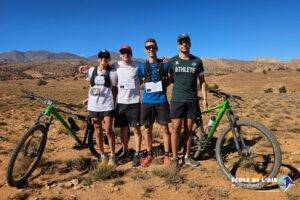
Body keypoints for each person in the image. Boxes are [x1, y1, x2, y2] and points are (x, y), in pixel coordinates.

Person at [168, 34, 208, 167]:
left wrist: (205, 99)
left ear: (190, 44)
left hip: (192, 100)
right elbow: (169, 79)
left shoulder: (197, 61)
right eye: (181, 42)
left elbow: (202, 82)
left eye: (186, 42)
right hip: (177, 100)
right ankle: (174, 158)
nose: (184, 44)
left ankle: (187, 156)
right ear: (178, 45)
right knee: (175, 129)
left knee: (189, 129)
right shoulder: (172, 61)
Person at [138, 38, 171, 167]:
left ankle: (167, 155)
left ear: (157, 48)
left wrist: (164, 85)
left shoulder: (165, 64)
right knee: (147, 130)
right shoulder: (141, 66)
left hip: (161, 100)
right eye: (148, 47)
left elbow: (171, 76)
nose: (150, 49)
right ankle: (149, 154)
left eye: (152, 46)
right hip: (146, 101)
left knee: (165, 128)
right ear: (145, 50)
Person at [84, 49, 118, 167]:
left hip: (107, 105)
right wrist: (88, 99)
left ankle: (113, 155)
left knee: (108, 130)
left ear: (109, 59)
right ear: (98, 58)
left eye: (106, 57)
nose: (103, 59)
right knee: (97, 131)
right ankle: (103, 155)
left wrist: (114, 103)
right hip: (93, 106)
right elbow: (91, 87)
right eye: (101, 57)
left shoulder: (113, 73)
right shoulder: (91, 70)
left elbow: (114, 89)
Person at [112, 45, 142, 167]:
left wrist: (162, 61)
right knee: (123, 130)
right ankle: (125, 151)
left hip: (134, 102)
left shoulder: (138, 65)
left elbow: (150, 68)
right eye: (123, 53)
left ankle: (137, 153)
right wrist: (89, 67)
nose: (126, 55)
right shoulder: (115, 65)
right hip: (121, 102)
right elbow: (101, 68)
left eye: (128, 53)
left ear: (131, 54)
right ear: (120, 54)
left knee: (136, 129)